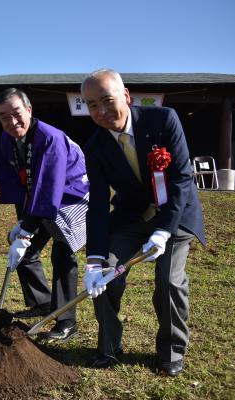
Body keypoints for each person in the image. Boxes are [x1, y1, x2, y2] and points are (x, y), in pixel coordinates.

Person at [80, 69, 206, 376]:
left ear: (126, 96)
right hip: (132, 216)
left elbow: (180, 179)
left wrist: (164, 230)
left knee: (168, 281)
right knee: (107, 271)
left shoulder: (163, 120)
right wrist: (94, 260)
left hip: (175, 214)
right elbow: (96, 205)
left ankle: (171, 353)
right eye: (92, 104)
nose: (101, 111)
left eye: (107, 100)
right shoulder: (95, 146)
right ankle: (109, 347)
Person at [0, 88, 89, 341]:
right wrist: (21, 227)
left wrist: (26, 233)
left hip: (70, 195)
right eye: (4, 117)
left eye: (16, 114)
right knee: (25, 251)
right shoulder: (7, 139)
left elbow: (49, 187)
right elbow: (17, 184)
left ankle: (66, 320)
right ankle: (42, 302)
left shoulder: (50, 137)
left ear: (29, 110)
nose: (12, 122)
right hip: (40, 196)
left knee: (62, 252)